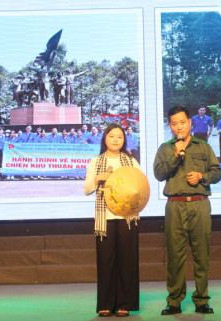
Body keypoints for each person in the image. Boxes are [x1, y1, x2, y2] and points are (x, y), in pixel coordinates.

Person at [154, 105, 221, 315]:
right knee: (175, 256)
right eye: (174, 123)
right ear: (170, 126)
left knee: (202, 254)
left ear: (190, 122)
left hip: (200, 204)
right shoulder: (166, 148)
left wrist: (202, 177)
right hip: (175, 205)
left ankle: (202, 300)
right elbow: (159, 173)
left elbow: (217, 172)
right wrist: (176, 155)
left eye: (182, 122)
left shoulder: (203, 147)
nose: (179, 127)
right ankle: (174, 301)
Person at [83, 124, 141, 317]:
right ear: (105, 139)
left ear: (124, 140)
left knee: (127, 261)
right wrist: (98, 179)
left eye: (120, 136)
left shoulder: (131, 162)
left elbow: (140, 187)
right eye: (112, 136)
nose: (116, 139)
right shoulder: (96, 162)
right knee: (106, 261)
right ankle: (105, 303)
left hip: (127, 218)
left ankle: (124, 303)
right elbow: (86, 190)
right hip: (105, 218)